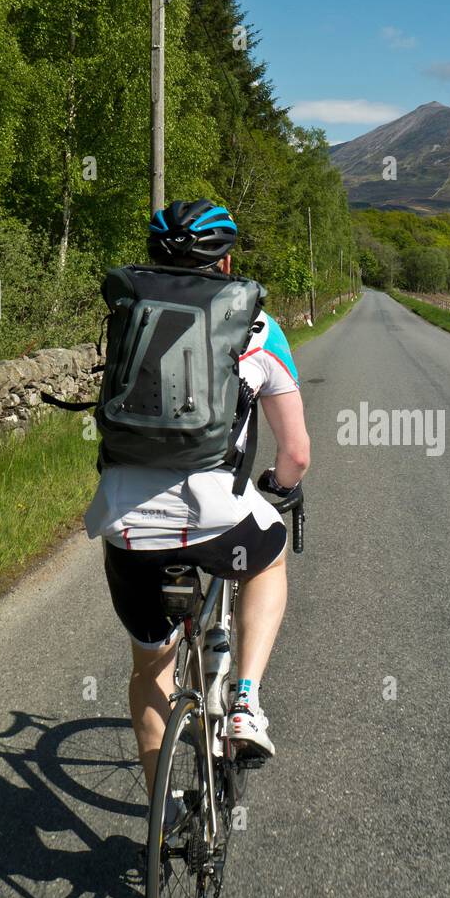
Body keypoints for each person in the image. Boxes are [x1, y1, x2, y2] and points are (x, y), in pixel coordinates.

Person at [83, 200, 311, 797]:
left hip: (124, 522)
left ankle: (165, 812)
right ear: (227, 260)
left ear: (155, 259)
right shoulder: (257, 327)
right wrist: (280, 489)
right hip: (216, 519)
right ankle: (246, 702)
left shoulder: (128, 316)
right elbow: (296, 454)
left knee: (150, 669)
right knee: (270, 555)